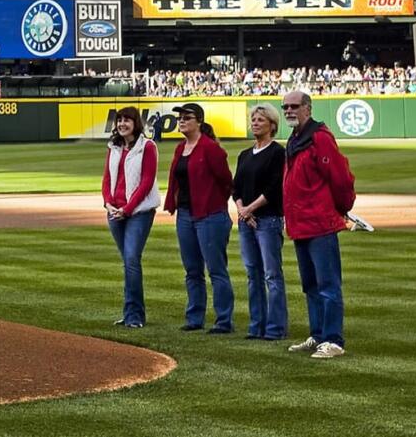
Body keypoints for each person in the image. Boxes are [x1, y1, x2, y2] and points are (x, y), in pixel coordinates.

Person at [282, 90, 356, 360]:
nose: (289, 111)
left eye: (294, 106)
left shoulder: (320, 138)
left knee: (328, 285)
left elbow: (340, 178)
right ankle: (318, 334)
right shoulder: (296, 139)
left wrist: (342, 208)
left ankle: (333, 339)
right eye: (285, 107)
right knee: (311, 285)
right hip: (301, 223)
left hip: (319, 223)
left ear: (307, 108)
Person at [163, 102, 235, 334]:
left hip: (209, 215)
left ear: (199, 122)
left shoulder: (211, 149)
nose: (182, 121)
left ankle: (223, 320)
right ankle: (195, 318)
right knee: (192, 270)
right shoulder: (179, 148)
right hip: (185, 215)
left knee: (216, 269)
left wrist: (214, 205)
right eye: (180, 118)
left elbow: (226, 181)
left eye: (187, 117)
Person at [101, 106, 160, 328]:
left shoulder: (148, 147)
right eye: (119, 120)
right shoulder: (113, 147)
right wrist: (107, 202)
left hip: (139, 212)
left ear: (136, 123)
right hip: (114, 211)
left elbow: (146, 182)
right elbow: (107, 178)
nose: (122, 124)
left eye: (127, 120)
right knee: (128, 261)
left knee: (132, 260)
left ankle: (135, 315)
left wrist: (127, 208)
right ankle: (129, 314)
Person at [233, 104, 288, 340]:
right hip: (247, 221)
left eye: (261, 120)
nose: (255, 123)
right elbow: (235, 187)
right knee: (252, 274)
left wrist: (250, 209)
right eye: (253, 119)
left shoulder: (278, 152)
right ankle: (257, 325)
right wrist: (242, 210)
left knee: (272, 275)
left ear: (272, 126)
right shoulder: (244, 154)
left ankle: (275, 328)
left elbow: (275, 187)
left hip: (268, 219)